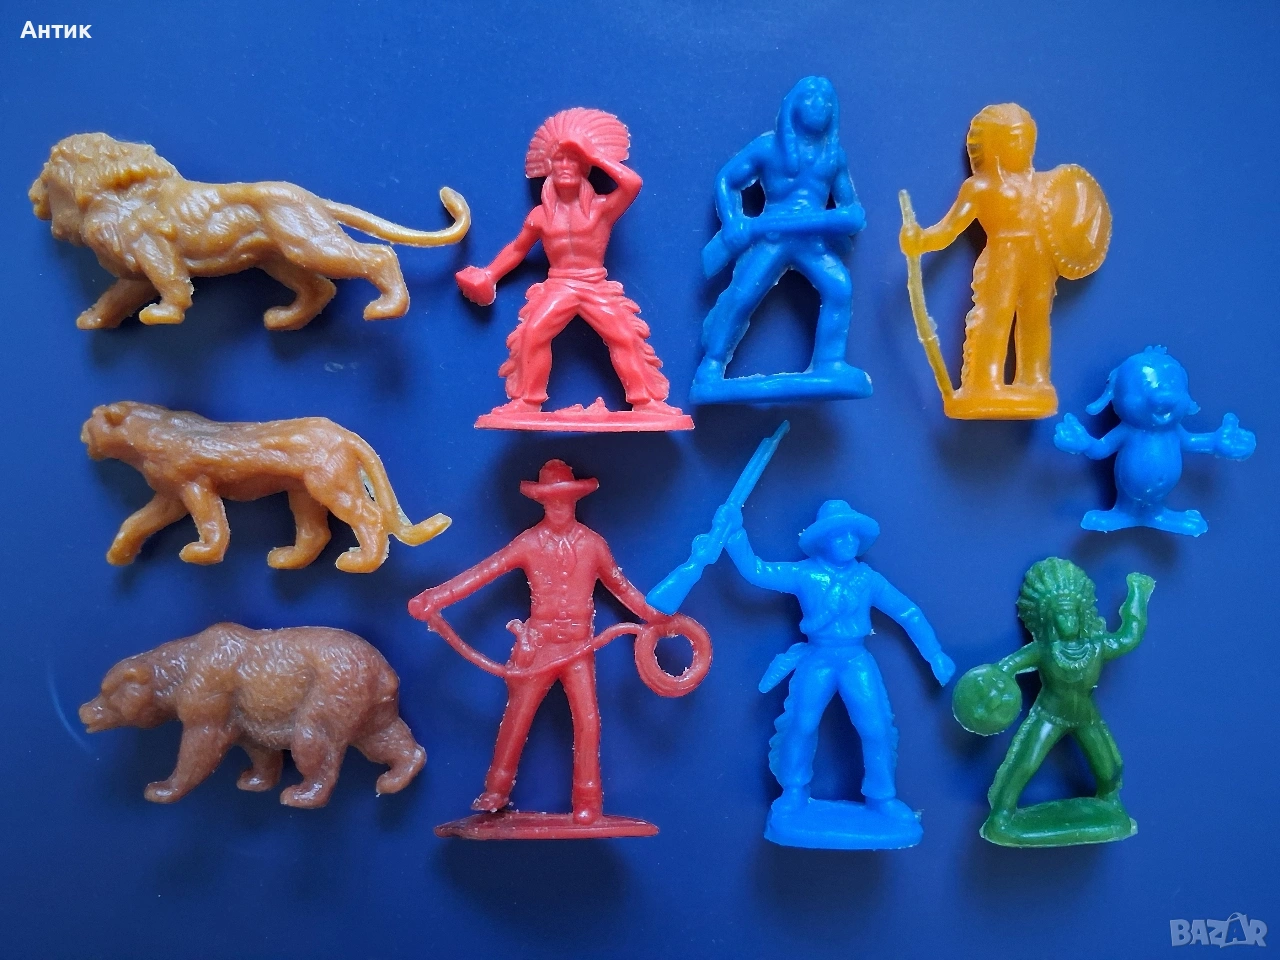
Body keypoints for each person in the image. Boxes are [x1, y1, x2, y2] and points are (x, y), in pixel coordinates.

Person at [408, 460, 675, 824]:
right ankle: (496, 790)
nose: (559, 507)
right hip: (539, 645)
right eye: (553, 500)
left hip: (579, 647)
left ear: (575, 501)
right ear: (543, 503)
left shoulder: (592, 544)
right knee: (518, 716)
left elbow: (621, 587)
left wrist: (654, 616)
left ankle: (588, 800)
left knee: (588, 721)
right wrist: (435, 598)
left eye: (565, 500)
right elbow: (484, 572)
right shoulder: (529, 543)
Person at [713, 499, 954, 844]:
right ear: (824, 540)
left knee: (876, 727)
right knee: (801, 723)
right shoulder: (805, 574)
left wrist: (934, 653)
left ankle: (882, 797)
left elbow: (907, 611)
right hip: (818, 656)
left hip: (855, 658)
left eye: (853, 535)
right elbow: (757, 572)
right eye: (840, 535)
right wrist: (735, 536)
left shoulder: (866, 579)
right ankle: (794, 791)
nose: (849, 542)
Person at [456, 109, 680, 417]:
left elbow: (632, 184)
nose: (564, 166)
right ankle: (527, 401)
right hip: (559, 284)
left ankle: (646, 401)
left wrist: (596, 155)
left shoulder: (601, 209)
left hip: (594, 283)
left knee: (625, 336)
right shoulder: (540, 215)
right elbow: (518, 249)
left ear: (584, 167)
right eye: (558, 160)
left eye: (573, 160)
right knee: (533, 333)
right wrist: (490, 274)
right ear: (549, 168)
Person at [693, 76, 868, 398]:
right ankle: (711, 366)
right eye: (811, 98)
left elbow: (851, 209)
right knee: (742, 295)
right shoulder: (768, 148)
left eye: (826, 100)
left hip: (812, 241)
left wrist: (849, 216)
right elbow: (727, 180)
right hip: (771, 237)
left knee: (839, 287)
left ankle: (830, 362)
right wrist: (732, 222)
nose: (819, 105)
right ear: (794, 105)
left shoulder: (833, 156)